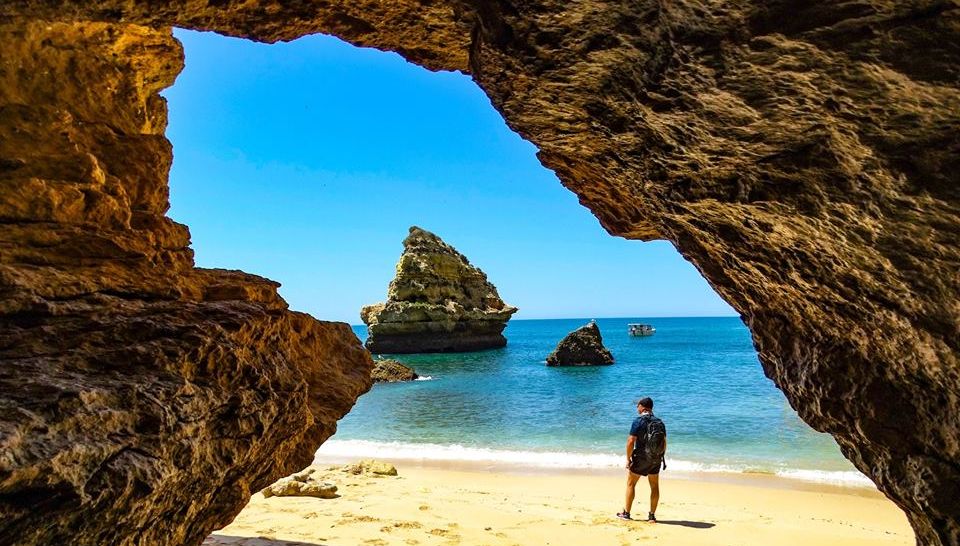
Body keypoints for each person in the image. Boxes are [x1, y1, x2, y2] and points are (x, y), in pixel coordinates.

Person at [617, 397, 666, 522]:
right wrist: (660, 457)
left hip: (641, 458)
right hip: (656, 458)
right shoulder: (660, 422)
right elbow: (664, 442)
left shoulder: (638, 421)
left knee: (631, 483)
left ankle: (626, 513)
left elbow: (630, 441)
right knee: (654, 486)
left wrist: (628, 459)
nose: (636, 408)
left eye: (637, 405)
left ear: (642, 407)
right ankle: (651, 516)